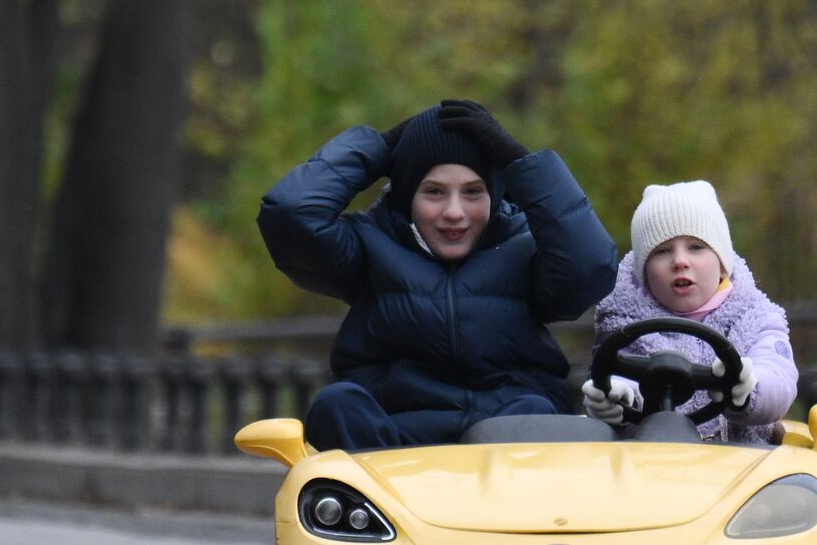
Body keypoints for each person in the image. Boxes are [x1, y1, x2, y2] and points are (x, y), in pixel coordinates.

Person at [258, 100, 619, 452]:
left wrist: (519, 163)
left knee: (537, 411)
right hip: (396, 447)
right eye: (433, 192)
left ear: (495, 193)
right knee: (336, 404)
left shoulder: (526, 246)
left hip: (506, 440)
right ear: (406, 196)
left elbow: (591, 267)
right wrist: (378, 148)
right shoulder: (368, 245)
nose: (454, 212)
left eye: (473, 192)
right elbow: (290, 215)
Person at [582, 180, 797, 443]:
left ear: (722, 265)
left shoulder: (756, 318)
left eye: (696, 247)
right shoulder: (624, 325)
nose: (680, 261)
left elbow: (779, 377)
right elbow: (618, 374)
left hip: (743, 470)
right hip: (646, 470)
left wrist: (748, 388)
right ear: (645, 274)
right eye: (661, 251)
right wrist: (614, 398)